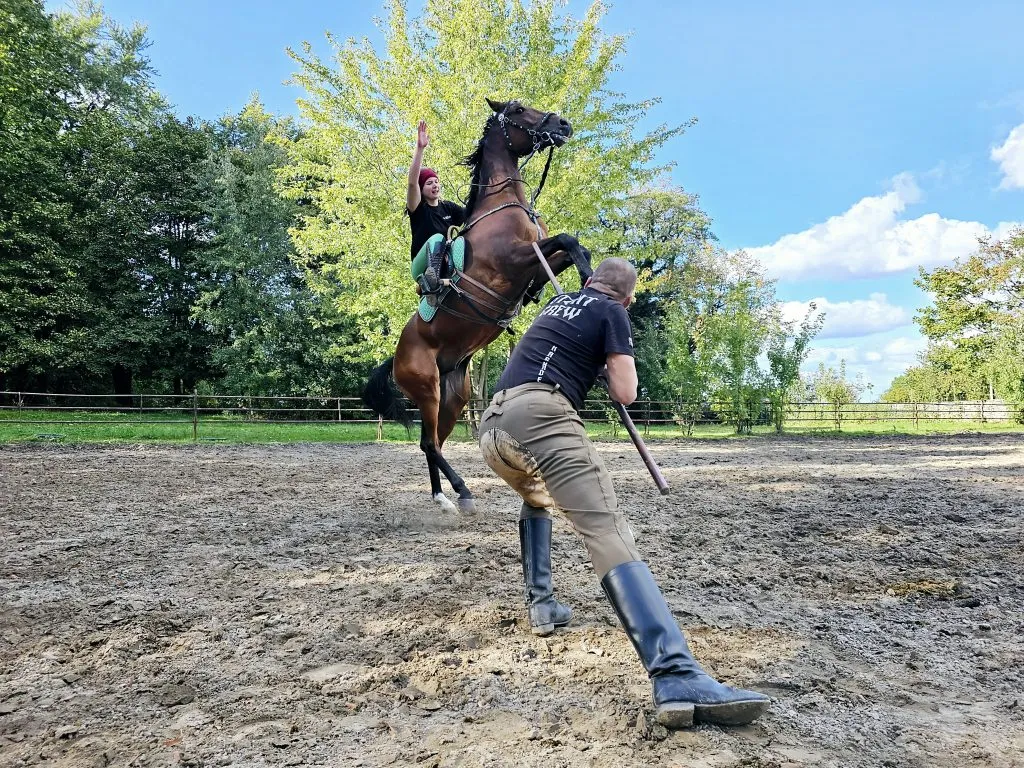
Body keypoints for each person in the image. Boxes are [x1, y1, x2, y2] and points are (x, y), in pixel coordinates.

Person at [477, 257, 770, 729]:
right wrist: (607, 364)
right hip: (542, 415)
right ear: (627, 297)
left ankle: (543, 603)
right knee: (606, 527)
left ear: (590, 282)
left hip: (493, 426)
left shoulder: (559, 304)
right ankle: (674, 672)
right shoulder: (613, 312)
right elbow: (626, 391)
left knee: (537, 497)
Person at [407, 120, 466, 294]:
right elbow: (411, 183)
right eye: (429, 183)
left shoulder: (448, 208)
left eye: (436, 182)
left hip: (447, 263)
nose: (434, 185)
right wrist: (420, 149)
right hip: (421, 267)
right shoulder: (418, 210)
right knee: (437, 239)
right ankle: (431, 283)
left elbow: (473, 215)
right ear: (421, 189)